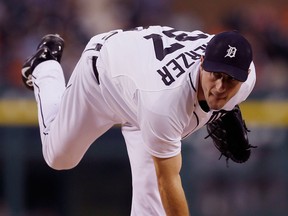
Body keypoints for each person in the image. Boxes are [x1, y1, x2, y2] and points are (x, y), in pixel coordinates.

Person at [21, 26, 256, 216]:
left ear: (244, 76)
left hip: (143, 91)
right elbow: (169, 181)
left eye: (230, 80)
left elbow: (227, 56)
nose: (220, 87)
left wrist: (222, 109)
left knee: (151, 207)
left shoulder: (247, 78)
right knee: (59, 157)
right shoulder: (165, 104)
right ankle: (45, 66)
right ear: (203, 62)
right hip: (102, 78)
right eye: (216, 75)